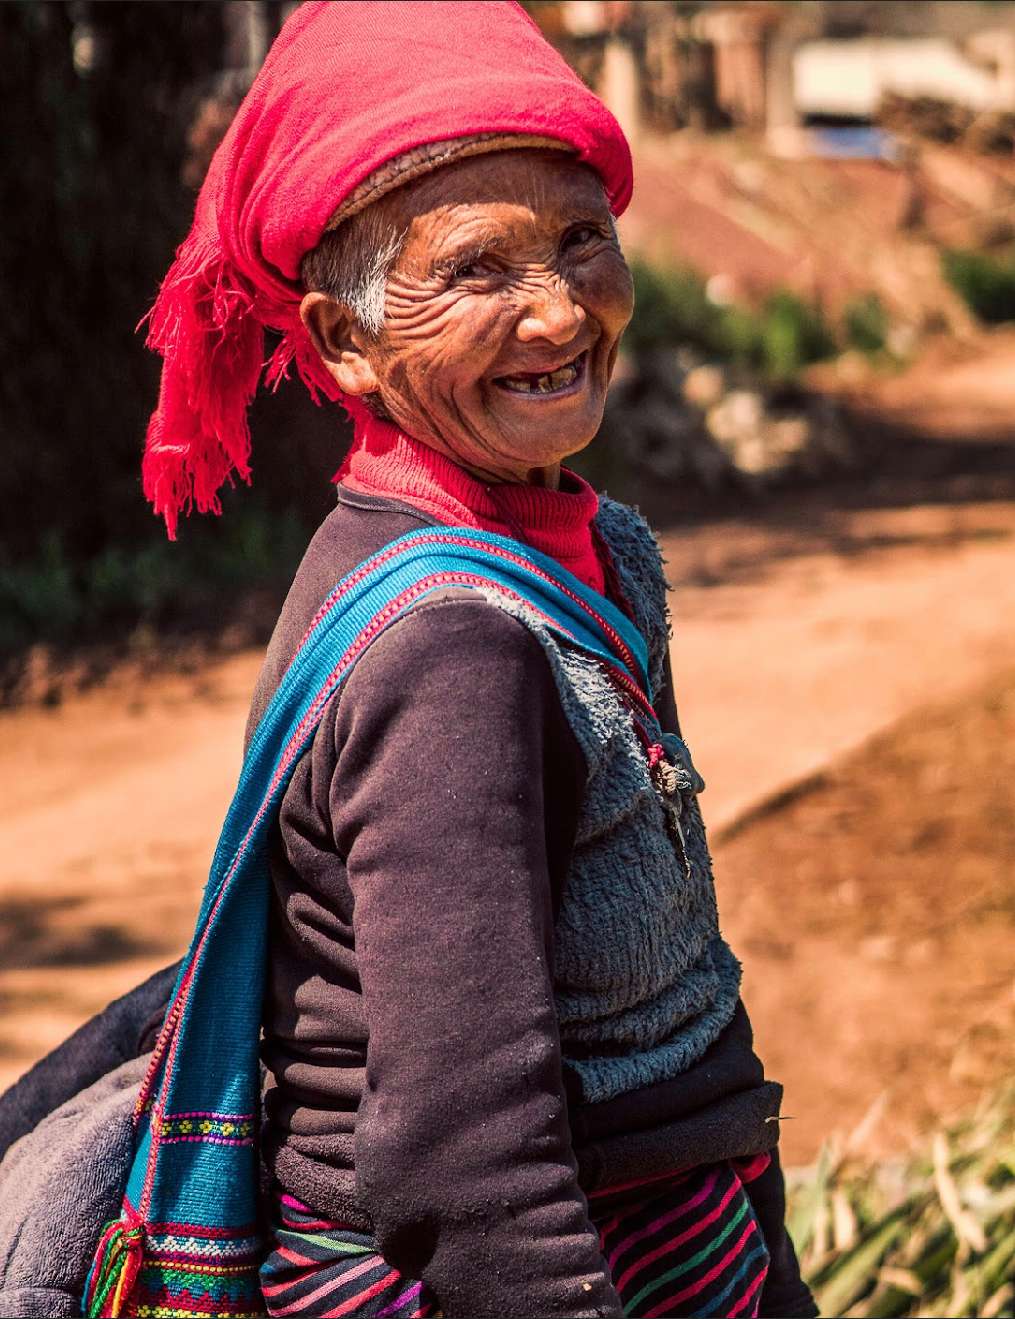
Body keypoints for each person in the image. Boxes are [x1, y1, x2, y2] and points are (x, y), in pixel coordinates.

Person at [125, 3, 818, 1317]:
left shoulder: (586, 545)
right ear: (344, 344)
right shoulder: (453, 644)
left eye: (578, 239)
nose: (557, 309)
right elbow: (465, 1158)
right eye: (479, 270)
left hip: (672, 1224)